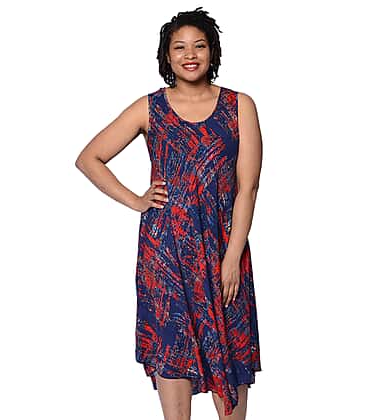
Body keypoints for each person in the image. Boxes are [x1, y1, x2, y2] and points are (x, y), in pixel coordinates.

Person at [75, 7, 263, 420]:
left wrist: (232, 257)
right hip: (166, 254)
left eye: (199, 46)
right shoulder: (150, 108)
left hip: (223, 249)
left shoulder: (240, 106)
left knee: (230, 355)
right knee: (173, 350)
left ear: (212, 52)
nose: (190, 55)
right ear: (167, 56)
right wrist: (136, 200)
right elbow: (89, 158)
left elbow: (247, 188)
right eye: (179, 47)